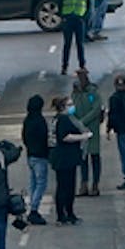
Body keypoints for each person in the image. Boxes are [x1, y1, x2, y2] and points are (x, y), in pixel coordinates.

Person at [51, 96, 90, 225]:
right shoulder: (63, 119)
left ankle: (66, 213)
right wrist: (83, 136)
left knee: (65, 186)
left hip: (63, 158)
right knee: (65, 187)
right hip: (65, 158)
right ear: (63, 107)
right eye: (69, 104)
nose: (72, 106)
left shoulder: (57, 119)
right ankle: (64, 214)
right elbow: (66, 137)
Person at [71, 69, 104, 196]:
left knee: (94, 156)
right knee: (82, 158)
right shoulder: (75, 94)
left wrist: (83, 121)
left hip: (92, 129)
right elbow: (71, 109)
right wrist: (74, 121)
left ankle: (95, 184)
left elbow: (96, 109)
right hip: (80, 130)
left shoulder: (92, 93)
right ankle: (83, 184)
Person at [22, 95, 53, 225]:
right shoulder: (40, 120)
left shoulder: (28, 120)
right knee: (41, 183)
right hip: (40, 156)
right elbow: (44, 138)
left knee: (33, 182)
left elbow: (24, 136)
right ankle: (34, 209)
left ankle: (31, 206)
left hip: (30, 155)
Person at [60, 0, 90, 75]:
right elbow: (60, 1)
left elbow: (88, 5)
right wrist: (62, 17)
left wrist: (85, 17)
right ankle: (64, 66)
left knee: (79, 44)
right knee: (67, 44)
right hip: (68, 18)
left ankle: (82, 65)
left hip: (79, 18)